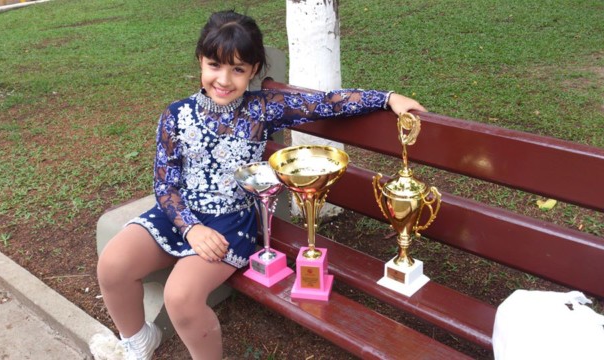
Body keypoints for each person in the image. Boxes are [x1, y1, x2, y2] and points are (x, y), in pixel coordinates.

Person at [96, 9, 426, 360]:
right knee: (113, 265)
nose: (224, 79)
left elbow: (324, 103)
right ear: (200, 61)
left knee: (181, 297)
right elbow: (164, 185)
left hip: (230, 223)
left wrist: (387, 98)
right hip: (179, 215)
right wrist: (190, 228)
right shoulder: (175, 115)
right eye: (214, 65)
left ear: (254, 70)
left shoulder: (262, 109)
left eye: (237, 69)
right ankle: (137, 342)